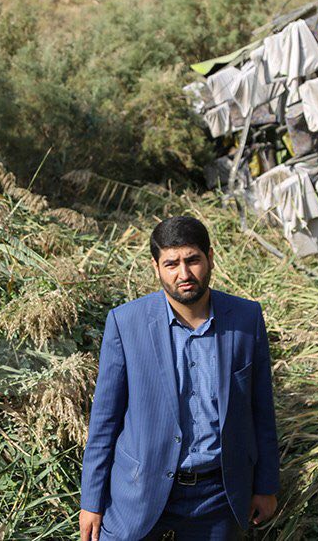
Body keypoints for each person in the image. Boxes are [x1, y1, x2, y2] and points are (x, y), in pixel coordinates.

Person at [79, 216, 279, 541]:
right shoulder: (125, 323)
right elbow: (104, 422)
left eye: (192, 260)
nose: (183, 274)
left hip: (218, 496)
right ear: (156, 267)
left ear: (210, 257)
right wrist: (92, 501)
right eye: (171, 263)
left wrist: (266, 485)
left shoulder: (246, 318)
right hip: (139, 492)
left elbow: (261, 410)